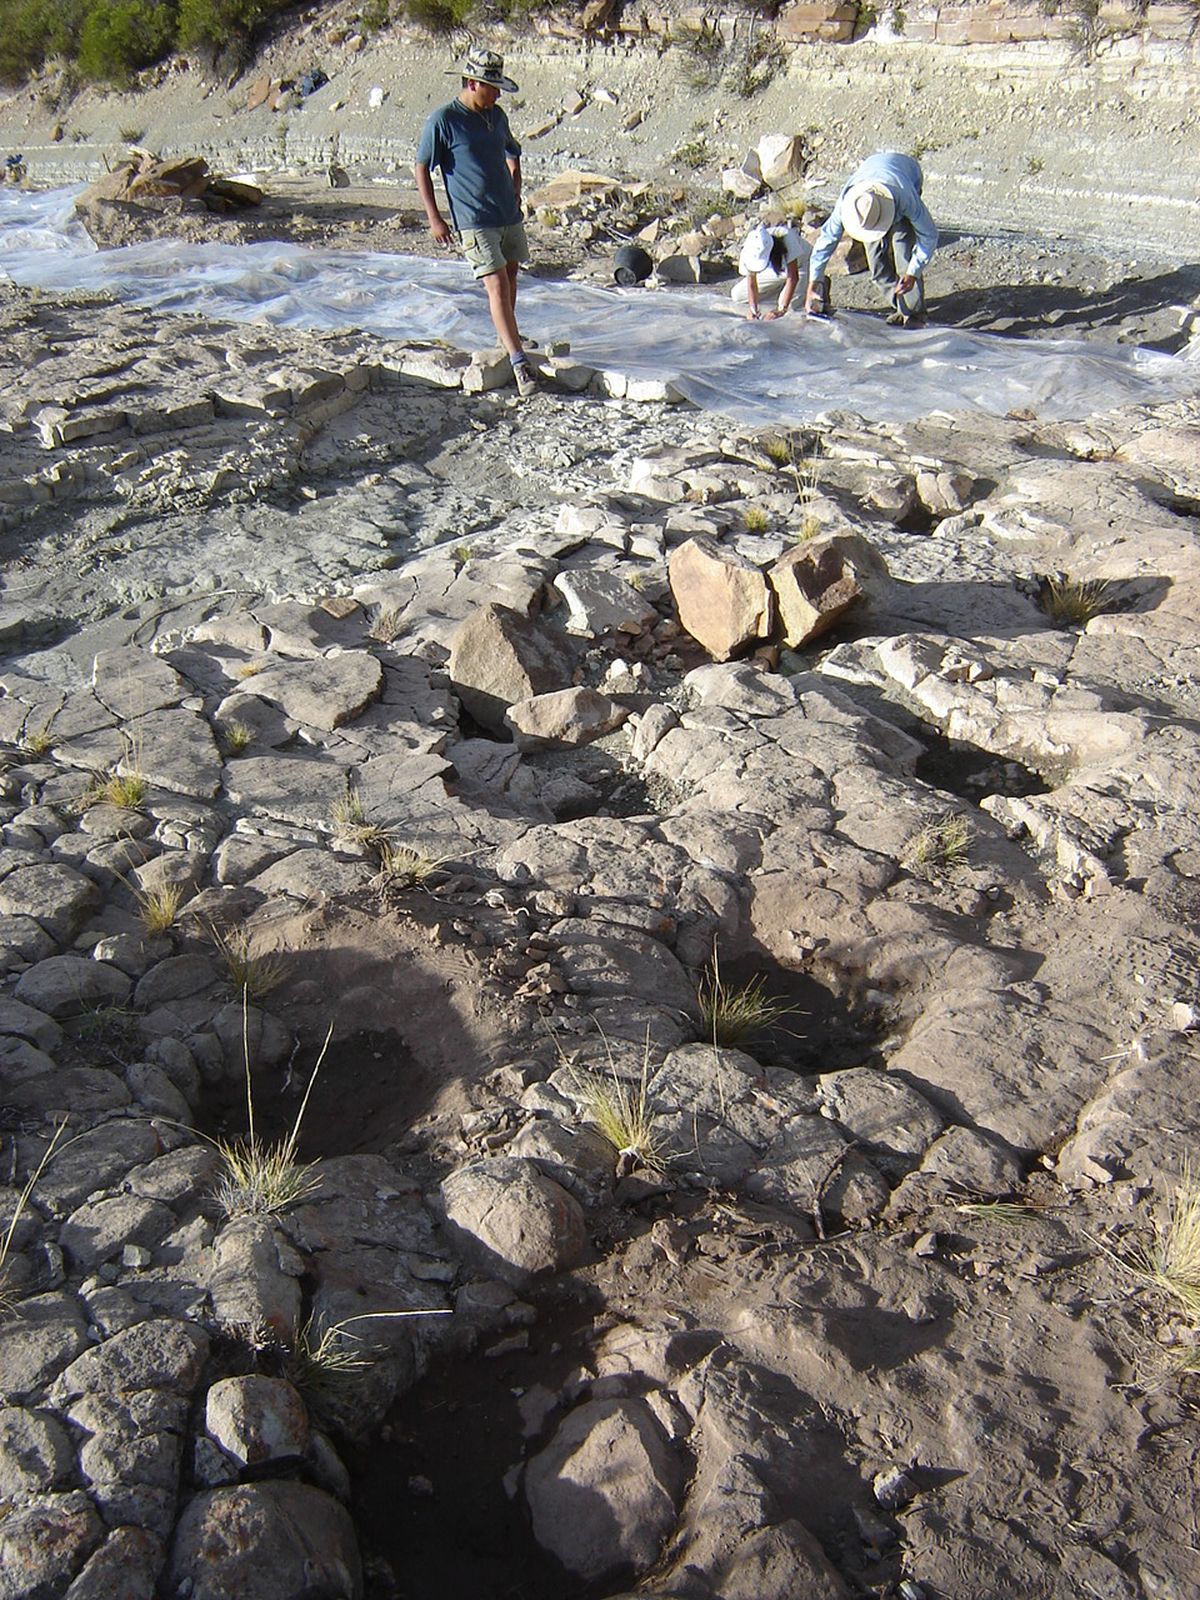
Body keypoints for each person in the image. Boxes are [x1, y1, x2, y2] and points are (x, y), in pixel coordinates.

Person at [415, 49, 537, 397]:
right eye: (492, 88)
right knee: (495, 283)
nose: (497, 95)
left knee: (511, 277)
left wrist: (516, 184)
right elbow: (422, 167)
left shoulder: (496, 116)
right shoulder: (444, 120)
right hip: (473, 218)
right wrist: (435, 217)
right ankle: (518, 362)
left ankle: (507, 337)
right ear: (472, 83)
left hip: (506, 214)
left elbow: (513, 152)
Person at [804, 151, 937, 327]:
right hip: (873, 176)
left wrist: (913, 272)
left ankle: (914, 315)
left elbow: (929, 235)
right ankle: (902, 307)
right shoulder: (850, 205)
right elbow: (826, 241)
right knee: (877, 266)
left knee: (903, 255)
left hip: (906, 174)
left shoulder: (905, 197)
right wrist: (814, 281)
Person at [737, 221, 808, 321]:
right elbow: (751, 283)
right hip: (777, 270)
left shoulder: (785, 236)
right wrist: (753, 310)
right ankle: (783, 291)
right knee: (737, 295)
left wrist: (782, 310)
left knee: (790, 309)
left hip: (802, 265)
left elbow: (793, 277)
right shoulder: (749, 248)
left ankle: (815, 286)